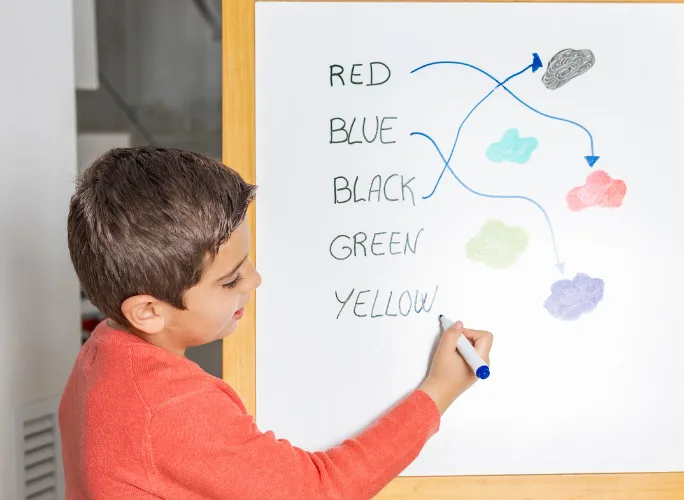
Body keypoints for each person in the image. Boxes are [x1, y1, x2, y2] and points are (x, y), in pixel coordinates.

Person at [59, 146, 493, 499]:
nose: (255, 280)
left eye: (246, 262)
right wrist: (437, 392)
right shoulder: (171, 408)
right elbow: (319, 490)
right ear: (149, 312)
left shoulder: (102, 349)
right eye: (231, 280)